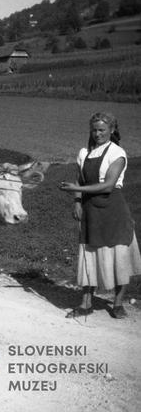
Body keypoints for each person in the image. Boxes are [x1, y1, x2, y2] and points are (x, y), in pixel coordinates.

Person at [59, 112, 141, 319]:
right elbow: (79, 180)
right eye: (94, 130)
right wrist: (77, 201)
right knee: (89, 256)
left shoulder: (117, 153)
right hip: (90, 211)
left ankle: (118, 304)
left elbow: (108, 185)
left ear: (111, 130)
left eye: (102, 130)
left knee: (119, 258)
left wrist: (77, 191)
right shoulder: (84, 153)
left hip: (114, 211)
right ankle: (85, 304)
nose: (97, 134)